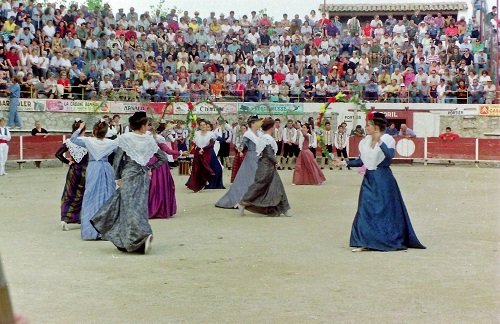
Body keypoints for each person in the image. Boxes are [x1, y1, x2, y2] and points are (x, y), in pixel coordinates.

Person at [333, 112, 426, 252]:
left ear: (376, 127)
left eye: (368, 125)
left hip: (383, 179)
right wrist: (344, 163)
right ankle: (364, 241)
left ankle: (383, 240)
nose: (366, 127)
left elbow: (390, 155)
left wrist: (379, 141)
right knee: (365, 209)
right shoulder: (364, 141)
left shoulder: (387, 139)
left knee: (383, 210)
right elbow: (361, 161)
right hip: (369, 179)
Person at [90, 111, 168, 254]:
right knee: (140, 208)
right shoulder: (149, 140)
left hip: (128, 175)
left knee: (126, 208)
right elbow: (163, 159)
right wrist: (150, 167)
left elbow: (118, 161)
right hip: (142, 176)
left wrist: (116, 178)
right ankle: (139, 238)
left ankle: (131, 240)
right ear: (143, 126)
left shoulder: (124, 138)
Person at [70, 119, 117, 240]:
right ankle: (106, 230)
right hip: (106, 168)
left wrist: (79, 128)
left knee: (91, 196)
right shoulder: (111, 143)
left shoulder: (89, 141)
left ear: (94, 131)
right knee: (107, 196)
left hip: (93, 167)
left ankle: (90, 231)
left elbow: (73, 139)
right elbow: (119, 152)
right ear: (106, 132)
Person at [238, 117, 292, 217]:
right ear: (272, 127)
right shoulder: (266, 138)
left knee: (277, 186)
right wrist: (276, 162)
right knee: (260, 185)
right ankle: (243, 202)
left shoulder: (263, 137)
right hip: (267, 166)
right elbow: (268, 154)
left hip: (265, 165)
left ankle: (285, 208)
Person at [216, 116, 261, 209]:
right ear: (252, 124)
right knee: (249, 178)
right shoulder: (248, 134)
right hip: (251, 157)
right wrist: (240, 149)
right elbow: (243, 145)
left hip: (258, 157)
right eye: (257, 123)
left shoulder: (259, 133)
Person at [55, 119, 88, 231]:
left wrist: (68, 161)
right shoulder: (88, 141)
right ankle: (82, 218)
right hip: (86, 171)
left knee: (69, 193)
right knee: (83, 194)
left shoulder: (70, 141)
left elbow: (58, 154)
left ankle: (65, 218)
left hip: (73, 170)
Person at [148, 129, 189, 219]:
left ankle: (150, 208)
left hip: (148, 163)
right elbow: (167, 151)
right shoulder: (157, 138)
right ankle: (159, 208)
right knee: (159, 186)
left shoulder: (142, 137)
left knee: (151, 186)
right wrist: (181, 153)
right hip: (159, 163)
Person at [186, 119, 219, 192]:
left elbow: (211, 144)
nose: (203, 126)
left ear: (206, 125)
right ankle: (197, 185)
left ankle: (205, 180)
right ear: (199, 126)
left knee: (205, 167)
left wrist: (203, 149)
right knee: (197, 169)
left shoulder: (210, 134)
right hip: (198, 152)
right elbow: (193, 143)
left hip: (206, 152)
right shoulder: (196, 133)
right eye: (201, 125)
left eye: (204, 125)